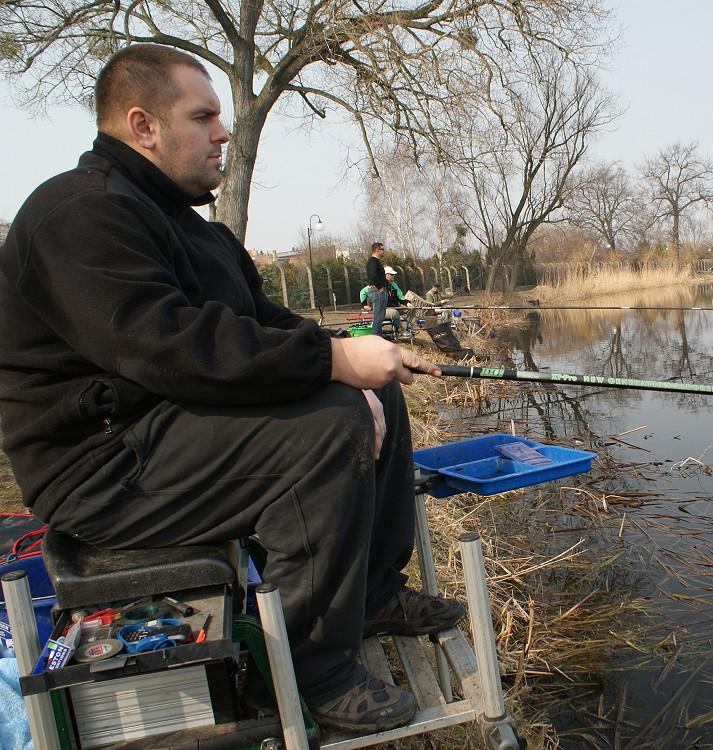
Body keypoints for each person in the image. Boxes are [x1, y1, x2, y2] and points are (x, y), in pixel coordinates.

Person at [0, 44, 464, 734]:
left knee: (377, 394)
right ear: (143, 124)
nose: (224, 132)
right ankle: (312, 673)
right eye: (205, 115)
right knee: (330, 423)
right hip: (103, 468)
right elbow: (167, 346)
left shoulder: (192, 228)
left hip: (170, 430)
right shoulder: (78, 213)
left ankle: (369, 595)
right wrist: (332, 370)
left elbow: (263, 324)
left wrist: (355, 353)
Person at [365, 242, 389, 336]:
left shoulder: (377, 261)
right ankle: (375, 338)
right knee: (378, 317)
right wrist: (380, 288)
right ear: (376, 250)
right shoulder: (372, 262)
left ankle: (377, 336)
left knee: (381, 317)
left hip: (380, 290)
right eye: (382, 249)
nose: (383, 251)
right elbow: (373, 276)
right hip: (376, 291)